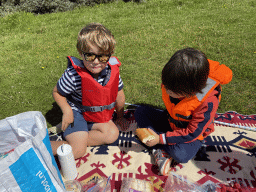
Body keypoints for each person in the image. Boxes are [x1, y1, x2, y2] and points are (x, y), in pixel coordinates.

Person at [134, 47, 233, 175]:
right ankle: (162, 145)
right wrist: (162, 137)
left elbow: (192, 133)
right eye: (166, 84)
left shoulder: (207, 101)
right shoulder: (175, 80)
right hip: (171, 121)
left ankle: (159, 147)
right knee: (140, 112)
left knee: (181, 155)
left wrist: (159, 139)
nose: (166, 89)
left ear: (191, 91)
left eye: (171, 90)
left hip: (190, 135)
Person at [50, 23, 126, 159]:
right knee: (78, 152)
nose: (96, 62)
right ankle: (41, 147)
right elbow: (57, 92)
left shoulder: (112, 73)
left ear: (110, 55)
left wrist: (120, 117)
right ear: (80, 53)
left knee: (113, 134)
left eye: (102, 57)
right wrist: (67, 111)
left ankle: (76, 140)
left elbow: (119, 96)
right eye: (90, 56)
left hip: (95, 114)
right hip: (77, 112)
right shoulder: (73, 75)